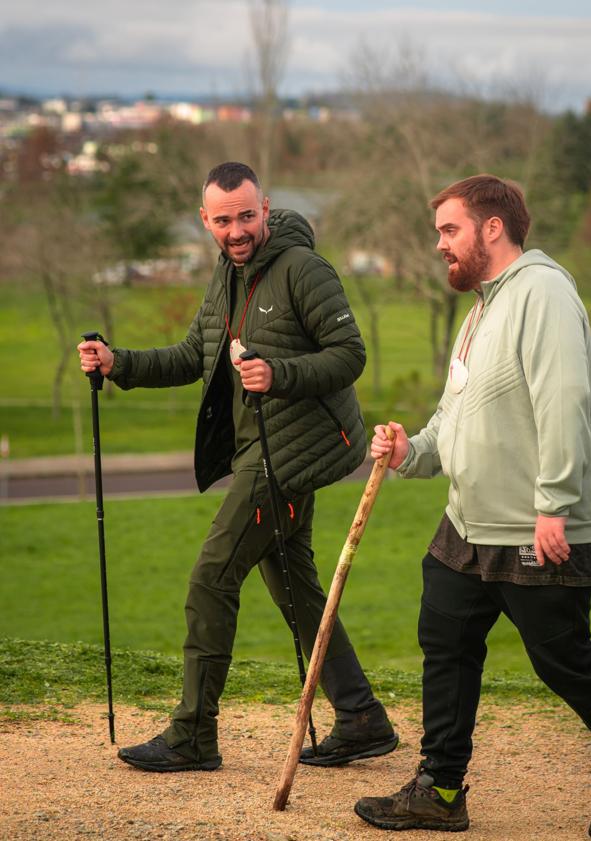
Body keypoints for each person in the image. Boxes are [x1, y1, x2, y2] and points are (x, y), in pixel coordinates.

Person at [354, 175, 591, 839]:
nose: (438, 245)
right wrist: (410, 451)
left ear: (490, 228)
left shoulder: (542, 291)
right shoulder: (483, 308)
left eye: (448, 230)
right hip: (471, 521)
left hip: (536, 522)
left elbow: (563, 397)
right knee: (445, 637)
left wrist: (554, 503)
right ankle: (440, 787)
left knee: (560, 658)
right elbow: (457, 412)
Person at [78, 161, 397, 772]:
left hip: (292, 454)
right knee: (292, 582)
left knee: (211, 577)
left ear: (266, 209)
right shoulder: (226, 277)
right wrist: (117, 362)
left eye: (246, 216)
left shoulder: (304, 270)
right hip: (260, 451)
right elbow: (192, 356)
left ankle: (194, 733)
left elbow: (350, 355)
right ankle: (360, 717)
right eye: (223, 220)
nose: (236, 229)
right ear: (206, 221)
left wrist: (280, 374)